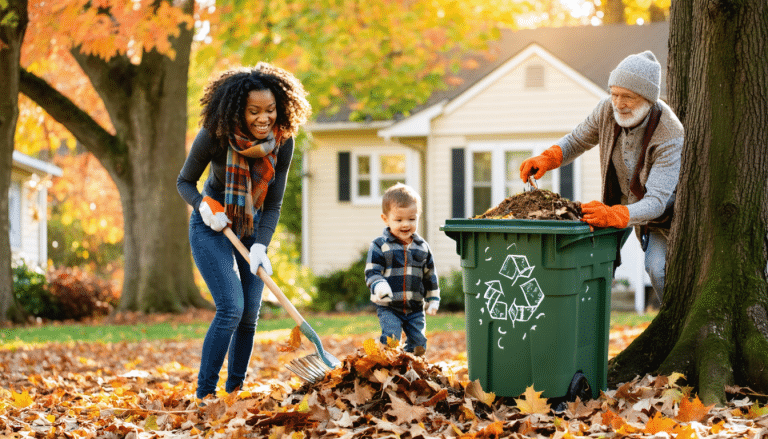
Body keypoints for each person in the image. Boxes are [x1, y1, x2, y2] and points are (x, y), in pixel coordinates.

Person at [177, 62, 311, 400]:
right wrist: (204, 206)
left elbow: (274, 204)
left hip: (252, 225)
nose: (263, 118)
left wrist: (261, 246)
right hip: (212, 226)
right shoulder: (216, 133)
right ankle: (205, 394)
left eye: (270, 110)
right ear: (239, 109)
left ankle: (234, 390)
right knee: (231, 307)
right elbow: (184, 182)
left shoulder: (283, 140)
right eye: (254, 111)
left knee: (251, 312)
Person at [519, 50, 684, 302]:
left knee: (657, 269)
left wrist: (614, 215)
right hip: (616, 202)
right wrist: (548, 157)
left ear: (648, 99)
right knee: (593, 260)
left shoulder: (669, 133)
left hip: (660, 218)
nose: (618, 103)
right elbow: (577, 140)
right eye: (614, 94)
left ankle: (674, 323)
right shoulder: (607, 110)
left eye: (627, 96)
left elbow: (657, 201)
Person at [365, 183, 440, 356]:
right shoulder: (379, 245)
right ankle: (388, 364)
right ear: (386, 219)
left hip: (415, 308)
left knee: (419, 343)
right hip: (389, 306)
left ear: (418, 216)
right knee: (392, 339)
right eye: (399, 220)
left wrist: (433, 299)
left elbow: (430, 275)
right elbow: (372, 272)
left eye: (412, 219)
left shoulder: (422, 247)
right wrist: (379, 286)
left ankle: (410, 367)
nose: (405, 224)